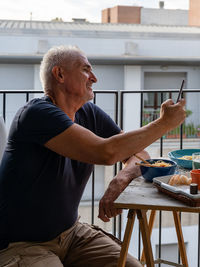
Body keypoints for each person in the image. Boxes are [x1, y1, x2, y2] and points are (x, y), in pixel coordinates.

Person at [0, 45, 186, 267]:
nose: (94, 78)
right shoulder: (36, 114)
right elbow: (105, 152)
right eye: (85, 70)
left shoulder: (89, 113)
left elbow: (140, 154)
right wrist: (164, 123)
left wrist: (121, 178)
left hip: (72, 234)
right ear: (59, 74)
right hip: (21, 245)